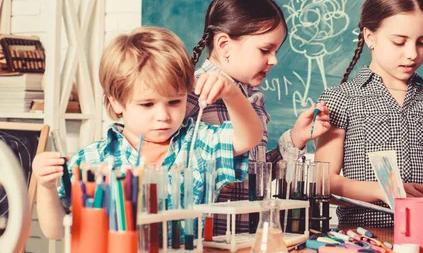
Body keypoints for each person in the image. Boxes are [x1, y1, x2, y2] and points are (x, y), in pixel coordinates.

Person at [33, 27, 263, 240]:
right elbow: (56, 231)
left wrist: (231, 93)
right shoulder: (92, 160)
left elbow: (249, 137)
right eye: (147, 104)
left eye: (174, 101)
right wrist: (46, 187)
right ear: (116, 103)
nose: (163, 115)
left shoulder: (198, 144)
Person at [315, 0, 423, 228]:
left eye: (421, 42)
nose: (412, 53)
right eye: (399, 42)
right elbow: (323, 182)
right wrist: (382, 190)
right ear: (370, 37)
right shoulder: (341, 99)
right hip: (366, 237)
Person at [187, 0, 330, 233]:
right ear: (224, 45)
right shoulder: (189, 97)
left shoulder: (253, 98)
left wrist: (296, 139)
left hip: (247, 240)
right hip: (206, 243)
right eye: (265, 49)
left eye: (275, 50)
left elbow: (257, 178)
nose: (273, 60)